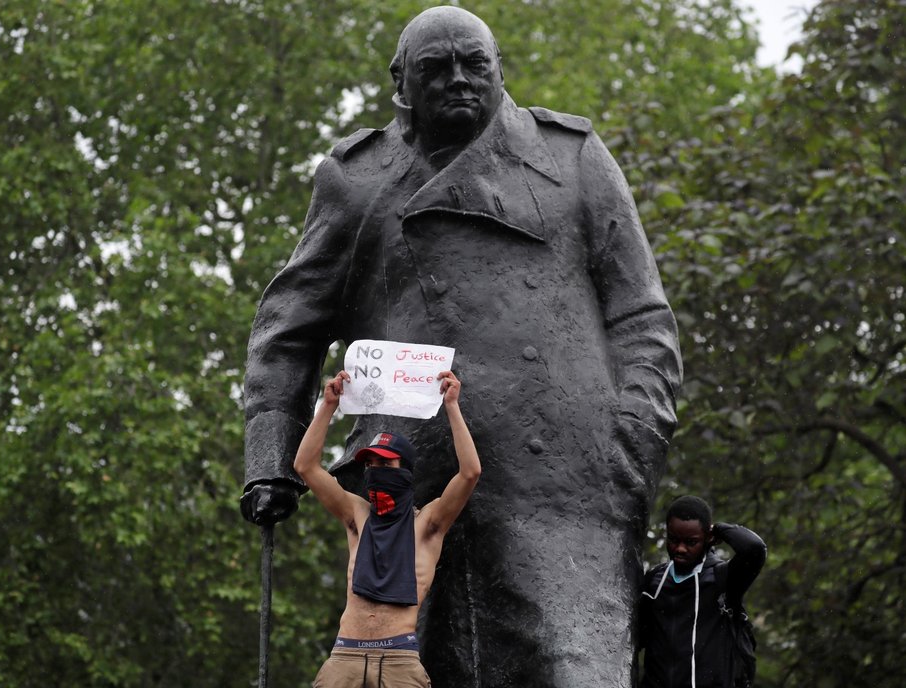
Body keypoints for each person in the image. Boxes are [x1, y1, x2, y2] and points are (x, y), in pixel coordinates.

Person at [241, 6, 682, 686]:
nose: (459, 80)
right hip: (410, 497)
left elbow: (641, 315)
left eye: (475, 65)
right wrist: (270, 459)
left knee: (574, 671)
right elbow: (289, 325)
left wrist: (632, 443)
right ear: (400, 81)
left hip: (566, 485)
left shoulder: (571, 159)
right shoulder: (357, 181)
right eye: (436, 68)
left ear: (499, 68)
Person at [293, 369, 480, 687]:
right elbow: (306, 467)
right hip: (345, 658)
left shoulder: (428, 526)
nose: (375, 471)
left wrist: (451, 406)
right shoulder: (357, 515)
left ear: (405, 471)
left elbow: (470, 473)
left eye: (385, 464)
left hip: (399, 659)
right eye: (370, 464)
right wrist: (327, 405)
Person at [639, 496, 768, 688]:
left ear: (708, 539)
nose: (680, 548)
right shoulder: (654, 580)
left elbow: (754, 549)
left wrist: (719, 529)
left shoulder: (722, 579)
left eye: (691, 542)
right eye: (673, 539)